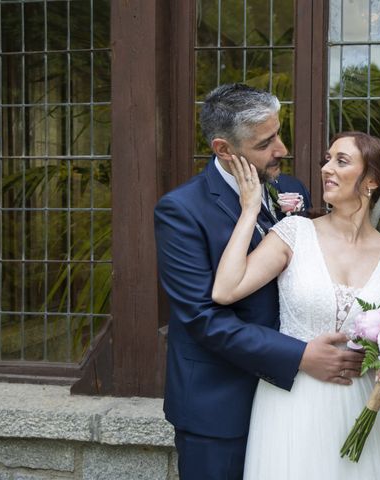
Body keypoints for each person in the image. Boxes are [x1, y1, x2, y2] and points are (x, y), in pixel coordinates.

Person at [154, 83, 366, 480]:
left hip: (295, 402)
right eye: (266, 142)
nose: (282, 149)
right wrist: (300, 355)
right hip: (218, 406)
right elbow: (203, 318)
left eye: (279, 133)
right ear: (223, 149)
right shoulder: (181, 211)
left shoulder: (292, 190)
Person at [212, 131, 380, 479]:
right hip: (292, 403)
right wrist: (250, 210)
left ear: (372, 180)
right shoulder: (294, 233)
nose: (326, 169)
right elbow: (225, 290)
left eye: (341, 161)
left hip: (362, 405)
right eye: (326, 159)